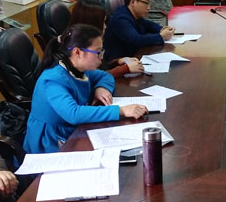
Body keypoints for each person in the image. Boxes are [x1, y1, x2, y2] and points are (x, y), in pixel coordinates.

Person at [24, 24, 147, 154]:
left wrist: (101, 88)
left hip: (73, 130)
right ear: (77, 52)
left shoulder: (79, 69)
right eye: (98, 52)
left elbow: (105, 76)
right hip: (51, 142)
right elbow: (73, 114)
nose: (102, 57)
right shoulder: (53, 80)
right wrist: (121, 111)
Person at [68, 0, 145, 76]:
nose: (105, 27)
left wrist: (118, 62)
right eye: (103, 22)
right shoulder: (78, 49)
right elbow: (92, 78)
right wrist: (124, 69)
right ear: (92, 23)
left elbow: (101, 67)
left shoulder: (89, 41)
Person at [103, 0, 175, 62]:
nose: (149, 8)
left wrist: (162, 29)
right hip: (119, 62)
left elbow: (148, 25)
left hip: (134, 56)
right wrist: (161, 36)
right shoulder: (120, 19)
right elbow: (137, 40)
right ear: (133, 2)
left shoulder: (135, 15)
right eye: (146, 3)